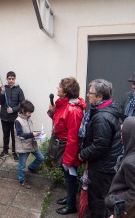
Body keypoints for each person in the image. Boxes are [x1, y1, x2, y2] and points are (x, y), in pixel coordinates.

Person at [78, 79, 123, 218]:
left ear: (99, 97)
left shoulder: (102, 117)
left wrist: (82, 154)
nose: (87, 95)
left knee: (99, 200)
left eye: (90, 93)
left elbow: (100, 146)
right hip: (107, 164)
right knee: (103, 197)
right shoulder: (108, 108)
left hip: (102, 167)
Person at [47, 77, 86, 215]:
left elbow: (73, 137)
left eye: (59, 86)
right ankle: (69, 197)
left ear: (66, 91)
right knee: (68, 176)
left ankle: (71, 206)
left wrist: (68, 160)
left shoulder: (73, 110)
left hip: (68, 148)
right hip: (62, 146)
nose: (57, 88)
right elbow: (60, 124)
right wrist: (52, 112)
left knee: (70, 176)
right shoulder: (64, 105)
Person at [105, 117, 135, 216]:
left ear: (133, 135)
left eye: (123, 132)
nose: (121, 136)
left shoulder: (132, 163)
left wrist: (111, 199)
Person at [15, 99, 44, 189]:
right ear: (23, 110)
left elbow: (30, 131)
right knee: (22, 166)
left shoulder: (28, 118)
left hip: (32, 144)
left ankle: (31, 168)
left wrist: (37, 133)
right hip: (23, 147)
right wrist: (32, 134)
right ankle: (22, 180)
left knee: (41, 158)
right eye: (29, 112)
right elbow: (20, 135)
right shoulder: (18, 121)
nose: (30, 114)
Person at [0, 71, 25, 161]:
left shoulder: (19, 90)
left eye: (13, 78)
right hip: (4, 116)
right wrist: (2, 93)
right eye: (9, 78)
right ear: (7, 79)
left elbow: (22, 104)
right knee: (6, 134)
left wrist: (13, 109)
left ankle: (14, 152)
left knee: (14, 135)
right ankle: (5, 151)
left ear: (15, 79)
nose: (11, 80)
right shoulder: (2, 88)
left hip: (14, 118)